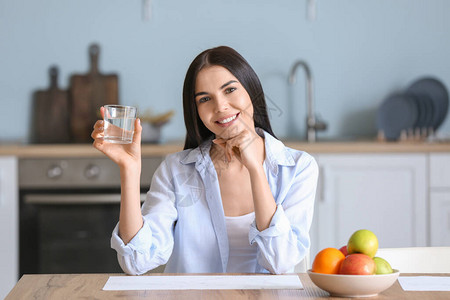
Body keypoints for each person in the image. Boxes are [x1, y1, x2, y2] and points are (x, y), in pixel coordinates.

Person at [91, 46, 318, 275]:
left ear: (251, 90)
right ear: (196, 111)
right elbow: (137, 261)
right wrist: (129, 170)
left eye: (229, 90)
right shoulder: (175, 171)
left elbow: (280, 262)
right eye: (205, 99)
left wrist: (255, 169)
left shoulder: (299, 168)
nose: (220, 107)